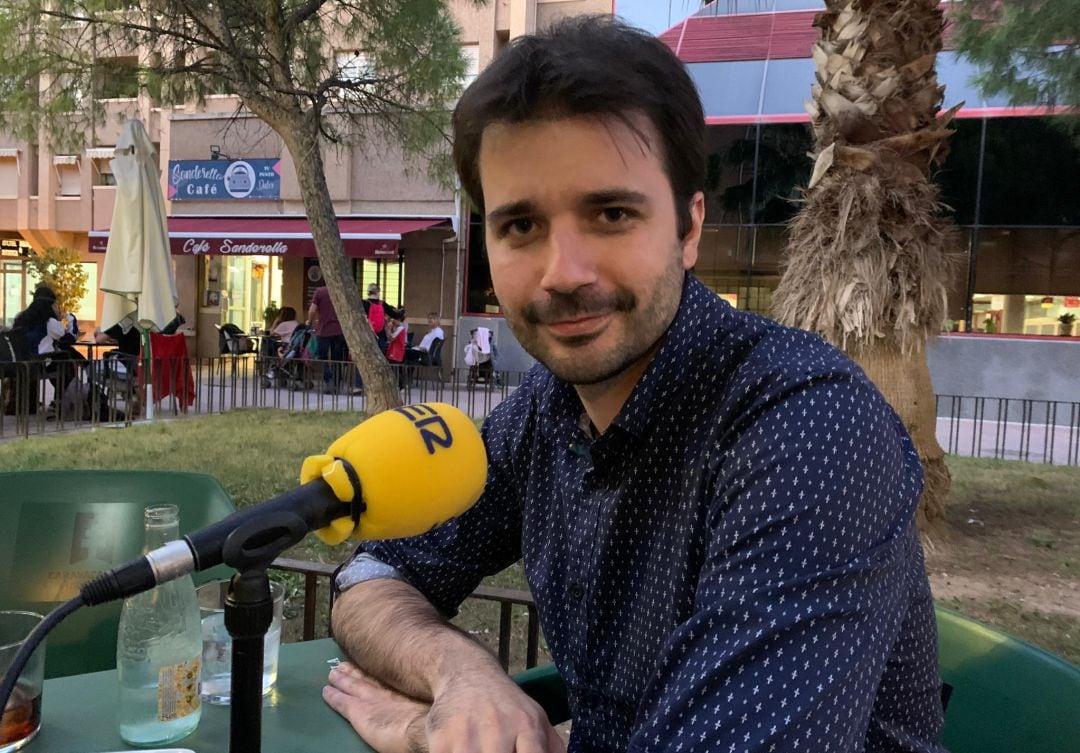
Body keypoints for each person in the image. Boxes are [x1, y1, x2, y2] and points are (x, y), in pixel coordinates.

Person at [324, 17, 945, 753]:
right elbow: (375, 568)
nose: (564, 272)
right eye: (521, 225)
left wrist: (428, 733)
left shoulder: (811, 429)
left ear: (689, 227)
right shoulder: (542, 416)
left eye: (612, 213)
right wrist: (459, 671)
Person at [306, 286, 347, 392]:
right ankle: (337, 382)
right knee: (337, 358)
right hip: (339, 330)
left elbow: (312, 310)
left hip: (324, 330)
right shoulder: (341, 291)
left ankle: (329, 380)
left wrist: (309, 322)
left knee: (323, 357)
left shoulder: (320, 292)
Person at [362, 283, 388, 353]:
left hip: (368, 333)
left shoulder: (363, 303)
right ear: (377, 292)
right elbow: (394, 314)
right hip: (381, 334)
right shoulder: (382, 304)